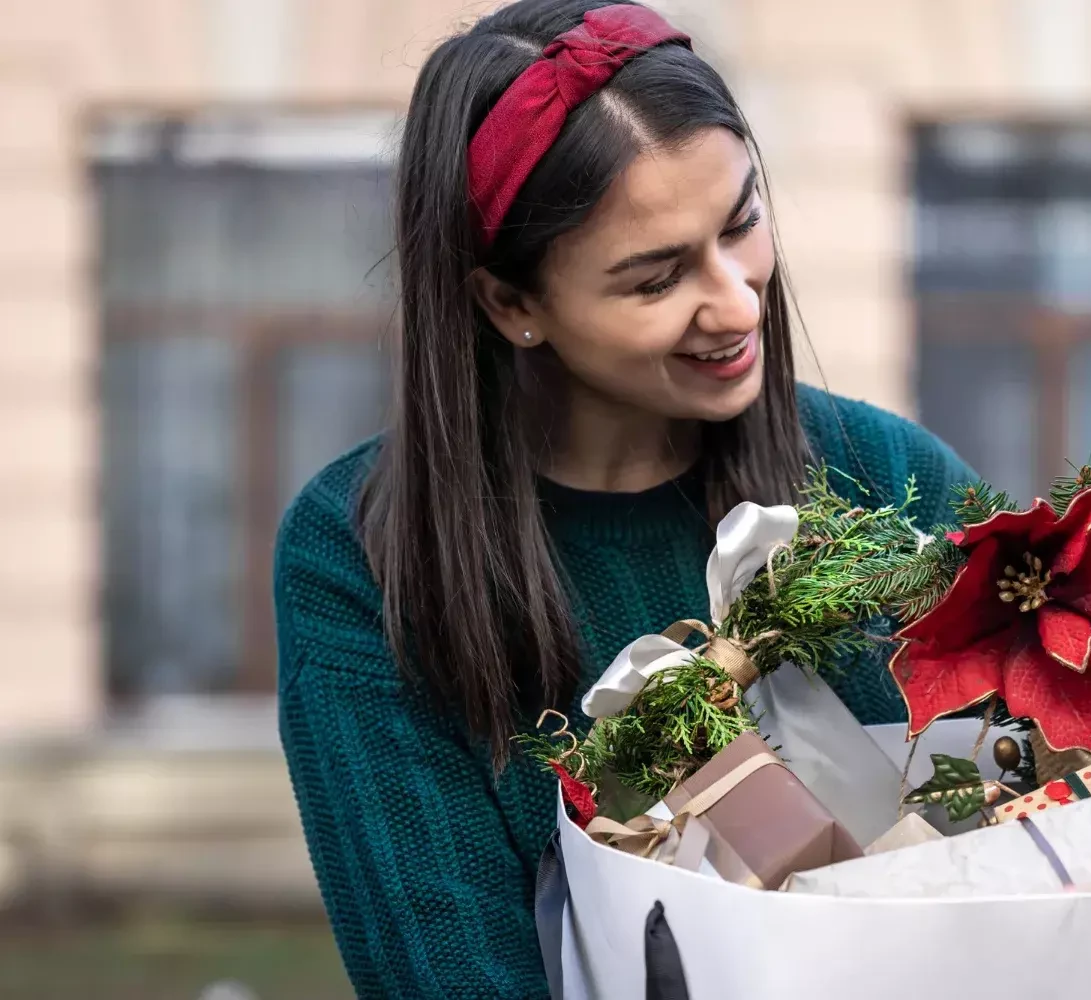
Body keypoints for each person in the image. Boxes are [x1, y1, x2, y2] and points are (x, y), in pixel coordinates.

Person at [274, 1, 976, 995]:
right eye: (656, 279)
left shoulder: (880, 474)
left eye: (741, 222)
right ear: (510, 303)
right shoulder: (365, 560)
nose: (737, 303)